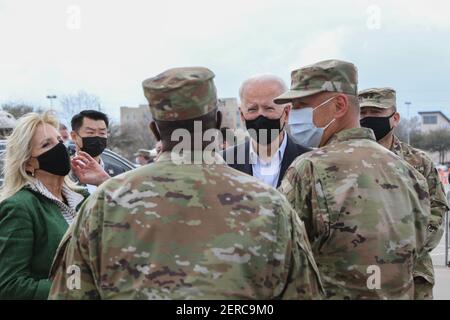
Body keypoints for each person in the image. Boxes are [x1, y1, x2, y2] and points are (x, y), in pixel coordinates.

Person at [49, 67, 323, 300]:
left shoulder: (104, 203)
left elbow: (70, 290)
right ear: (217, 121)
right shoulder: (271, 204)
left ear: (154, 129)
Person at [276, 59, 431, 299]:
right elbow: (417, 253)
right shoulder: (409, 172)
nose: (294, 115)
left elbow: (278, 252)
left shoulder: (310, 168)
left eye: (302, 105)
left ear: (339, 105)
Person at [0, 112, 105, 299]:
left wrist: (104, 182)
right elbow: (10, 285)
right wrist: (76, 289)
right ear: (28, 164)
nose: (59, 148)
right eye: (46, 144)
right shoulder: (20, 207)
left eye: (59, 140)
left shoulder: (81, 196)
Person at [359, 87, 449, 299]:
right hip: (358, 271)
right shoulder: (344, 160)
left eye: (376, 113)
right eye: (363, 113)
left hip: (411, 272)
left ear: (395, 118)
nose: (368, 119)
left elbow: (436, 209)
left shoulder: (418, 162)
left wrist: (408, 248)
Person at [222, 75, 310, 188]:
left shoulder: (310, 161)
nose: (261, 116)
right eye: (252, 109)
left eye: (269, 108)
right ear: (242, 114)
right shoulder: (223, 162)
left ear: (287, 113)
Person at [70, 110, 123, 192]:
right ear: (74, 136)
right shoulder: (65, 172)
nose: (97, 138)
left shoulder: (119, 172)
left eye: (102, 133)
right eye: (90, 132)